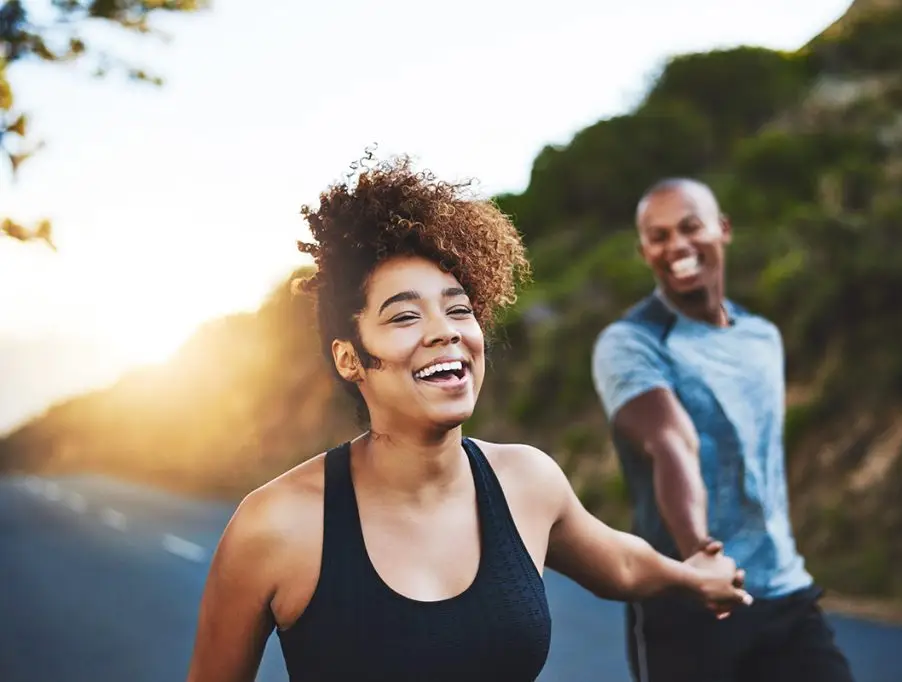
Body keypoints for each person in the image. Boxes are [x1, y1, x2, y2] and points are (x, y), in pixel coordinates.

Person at [184, 156, 752, 682]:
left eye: (458, 309)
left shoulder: (527, 481)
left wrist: (694, 578)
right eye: (404, 316)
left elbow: (622, 564)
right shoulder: (276, 524)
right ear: (350, 357)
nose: (444, 331)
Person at [591, 178, 856, 682]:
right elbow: (670, 441)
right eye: (659, 236)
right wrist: (700, 553)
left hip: (784, 594)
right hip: (687, 602)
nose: (677, 245)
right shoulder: (629, 343)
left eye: (690, 227)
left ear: (723, 229)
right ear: (644, 251)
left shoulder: (763, 337)